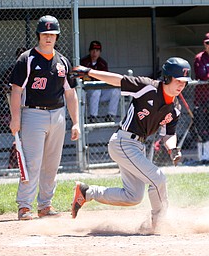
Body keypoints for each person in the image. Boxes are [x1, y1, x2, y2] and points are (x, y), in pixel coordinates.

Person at [70, 57, 192, 233]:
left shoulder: (175, 108)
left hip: (137, 147)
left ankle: (87, 192)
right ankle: (158, 223)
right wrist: (89, 72)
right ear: (166, 78)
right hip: (123, 142)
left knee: (133, 196)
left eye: (184, 82)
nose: (181, 85)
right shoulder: (147, 87)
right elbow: (118, 80)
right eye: (178, 80)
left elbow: (168, 135)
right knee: (158, 179)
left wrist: (173, 149)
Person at [9, 15, 80, 220]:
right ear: (38, 35)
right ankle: (24, 206)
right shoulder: (27, 59)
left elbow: (70, 94)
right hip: (33, 113)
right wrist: (15, 118)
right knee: (32, 162)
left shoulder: (63, 61)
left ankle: (45, 205)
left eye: (52, 34)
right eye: (45, 34)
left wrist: (75, 122)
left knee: (52, 163)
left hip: (57, 115)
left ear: (57, 36)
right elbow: (15, 90)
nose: (48, 38)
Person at [80, 40, 121, 122]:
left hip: (100, 93)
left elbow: (106, 79)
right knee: (96, 91)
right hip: (86, 93)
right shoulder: (84, 62)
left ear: (100, 52)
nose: (95, 53)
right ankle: (93, 117)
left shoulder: (102, 63)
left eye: (97, 51)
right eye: (93, 50)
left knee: (116, 91)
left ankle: (111, 115)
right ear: (90, 51)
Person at [193, 33, 209, 153]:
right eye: (207, 43)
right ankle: (204, 155)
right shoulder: (199, 58)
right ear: (204, 44)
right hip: (203, 98)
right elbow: (202, 76)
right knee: (201, 127)